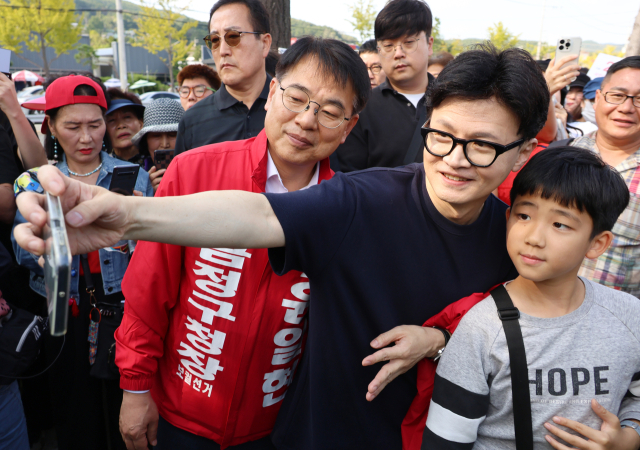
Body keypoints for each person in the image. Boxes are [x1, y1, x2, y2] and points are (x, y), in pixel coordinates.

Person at [13, 43, 550, 449]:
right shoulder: (358, 198)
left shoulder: (512, 239)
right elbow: (252, 219)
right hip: (227, 417)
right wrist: (125, 216)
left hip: (321, 424)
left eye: (481, 146)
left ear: (523, 150)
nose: (455, 158)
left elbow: (535, 326)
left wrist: (437, 338)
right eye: (443, 136)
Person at [116, 37, 368, 450]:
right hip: (180, 416)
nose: (307, 120)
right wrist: (136, 388)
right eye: (297, 97)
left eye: (330, 112)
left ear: (348, 128)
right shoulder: (193, 172)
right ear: (272, 94)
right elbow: (147, 291)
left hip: (279, 428)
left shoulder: (347, 210)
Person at [421, 147, 640, 450]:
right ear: (508, 218)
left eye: (560, 224)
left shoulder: (628, 315)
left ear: (597, 243)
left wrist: (628, 436)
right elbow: (445, 440)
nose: (534, 237)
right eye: (524, 215)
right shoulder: (482, 328)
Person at [11, 75, 153, 450]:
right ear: (52, 127)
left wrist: (131, 239)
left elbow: (153, 250)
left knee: (123, 409)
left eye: (95, 125)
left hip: (120, 311)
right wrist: (48, 246)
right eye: (73, 127)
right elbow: (23, 251)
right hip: (64, 310)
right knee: (75, 413)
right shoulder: (38, 183)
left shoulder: (133, 176)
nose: (86, 137)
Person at [563, 56, 640, 297]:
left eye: (639, 99)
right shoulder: (560, 156)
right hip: (541, 318)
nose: (626, 108)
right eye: (617, 95)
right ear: (597, 99)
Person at [333, 0, 435, 172]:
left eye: (409, 42)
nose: (398, 53)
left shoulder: (453, 102)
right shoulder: (361, 108)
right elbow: (351, 180)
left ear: (429, 44)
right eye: (388, 46)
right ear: (379, 50)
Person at [175, 0, 272, 154]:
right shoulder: (192, 121)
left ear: (264, 43)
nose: (222, 51)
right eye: (215, 40)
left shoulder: (292, 108)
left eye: (233, 37)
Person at [131, 98, 184, 193]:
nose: (164, 144)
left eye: (172, 135)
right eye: (156, 136)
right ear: (145, 140)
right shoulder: (133, 173)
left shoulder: (198, 168)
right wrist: (147, 190)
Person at [105, 90, 146, 166]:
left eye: (127, 117)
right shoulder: (100, 170)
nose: (121, 125)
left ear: (141, 123)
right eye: (111, 120)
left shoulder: (156, 162)